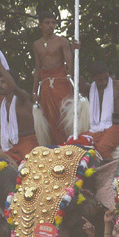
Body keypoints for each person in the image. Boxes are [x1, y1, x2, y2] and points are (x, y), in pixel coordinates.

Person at [78, 61, 119, 160]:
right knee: (77, 145)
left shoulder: (118, 85)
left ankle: (112, 172)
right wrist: (74, 50)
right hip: (96, 129)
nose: (104, 82)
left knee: (102, 149)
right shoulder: (89, 89)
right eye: (100, 80)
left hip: (117, 127)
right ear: (93, 78)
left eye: (106, 78)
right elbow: (75, 75)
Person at [31, 9, 73, 145]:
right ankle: (55, 145)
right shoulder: (36, 44)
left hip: (61, 82)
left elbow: (71, 65)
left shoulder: (62, 41)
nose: (51, 25)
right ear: (40, 25)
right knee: (49, 116)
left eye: (53, 23)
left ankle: (68, 143)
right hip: (46, 85)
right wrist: (34, 91)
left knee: (64, 113)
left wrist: (76, 83)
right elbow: (37, 68)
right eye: (47, 23)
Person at [0, 52, 38, 164]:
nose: (0, 85)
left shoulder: (22, 97)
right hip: (11, 147)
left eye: (4, 82)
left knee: (30, 166)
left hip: (28, 142)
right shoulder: (1, 105)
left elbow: (14, 88)